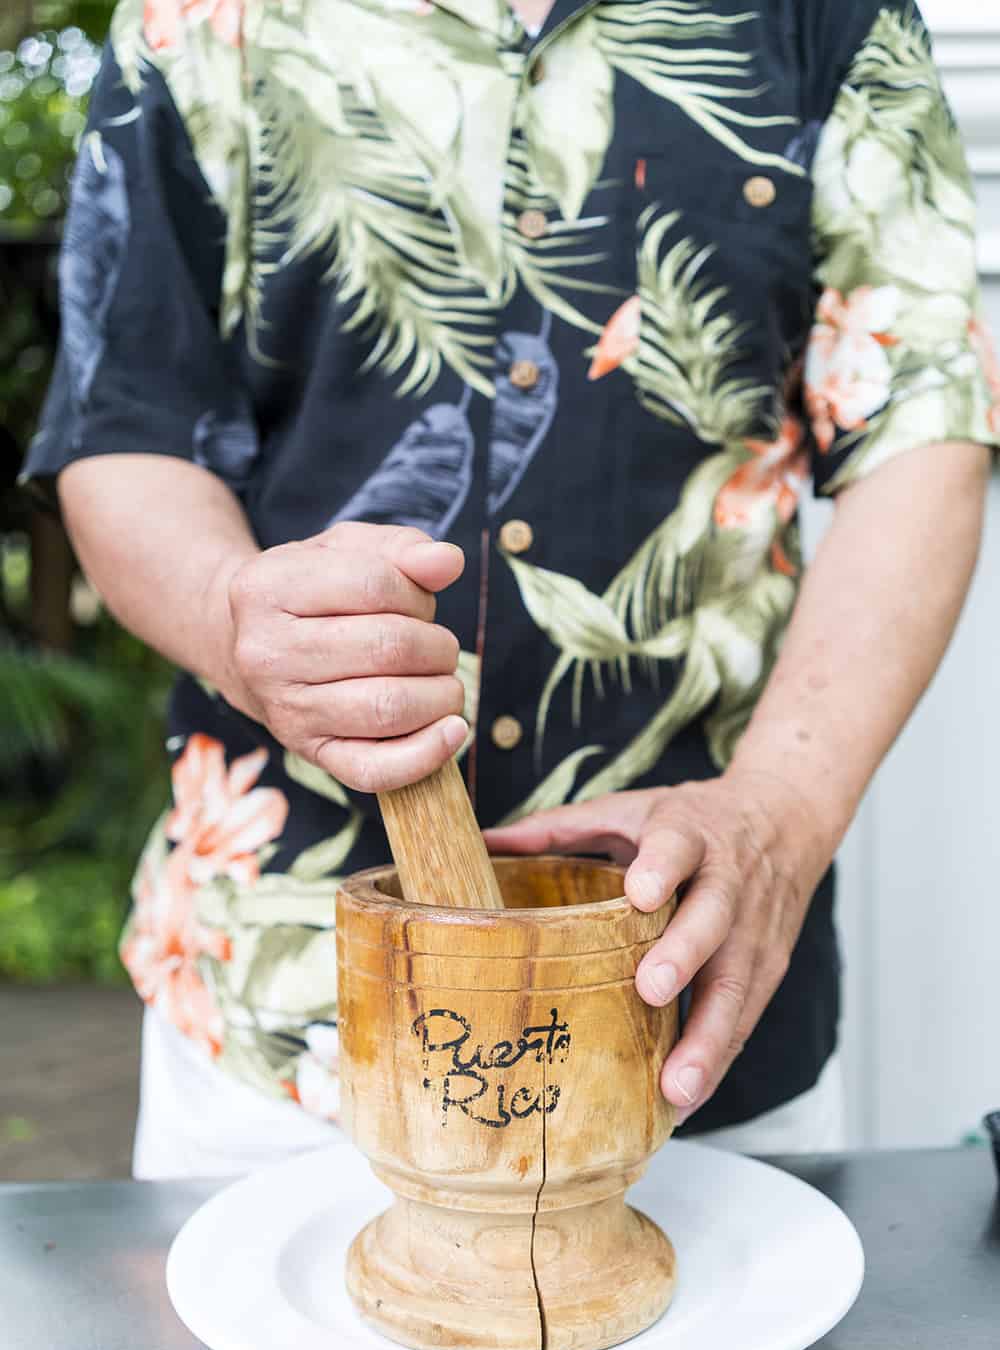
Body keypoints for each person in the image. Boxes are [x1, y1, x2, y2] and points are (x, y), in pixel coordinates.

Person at [22, 0, 998, 1177]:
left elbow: (925, 427)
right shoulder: (194, 16)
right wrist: (239, 619)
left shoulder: (829, 15)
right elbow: (124, 432)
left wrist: (779, 821)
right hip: (280, 1038)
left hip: (691, 1025)